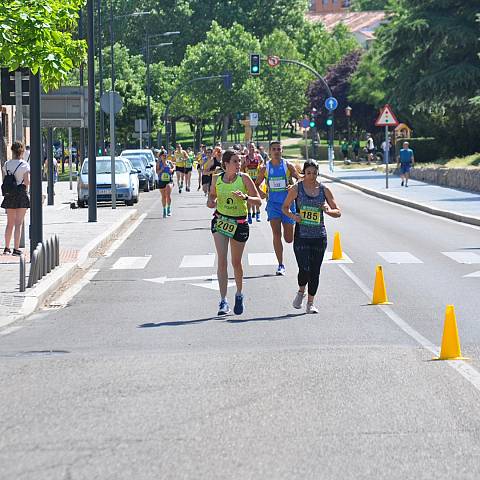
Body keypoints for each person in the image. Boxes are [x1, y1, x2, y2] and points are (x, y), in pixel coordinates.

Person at [282, 159, 341, 313]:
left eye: (314, 173)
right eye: (308, 172)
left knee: (315, 271)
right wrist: (294, 216)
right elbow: (285, 207)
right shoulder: (297, 188)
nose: (311, 175)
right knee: (304, 269)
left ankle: (310, 303)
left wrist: (327, 210)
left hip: (319, 236)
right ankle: (301, 291)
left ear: (317, 173)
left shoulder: (324, 190)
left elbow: (338, 212)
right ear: (304, 173)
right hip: (302, 235)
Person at [208, 149, 262, 316]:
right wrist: (211, 202)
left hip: (239, 223)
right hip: (221, 221)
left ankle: (239, 293)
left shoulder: (244, 178)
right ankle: (223, 301)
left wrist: (245, 198)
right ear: (225, 164)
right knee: (222, 261)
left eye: (239, 161)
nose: (239, 165)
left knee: (236, 263)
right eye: (235, 161)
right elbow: (211, 197)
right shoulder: (216, 179)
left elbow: (258, 201)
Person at [255, 140, 301, 276]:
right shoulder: (265, 168)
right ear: (270, 151)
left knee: (289, 239)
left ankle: (293, 236)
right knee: (276, 234)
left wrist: (294, 186)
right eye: (274, 149)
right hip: (273, 206)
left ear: (282, 151)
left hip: (288, 205)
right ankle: (280, 264)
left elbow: (299, 179)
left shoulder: (288, 166)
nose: (276, 151)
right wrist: (262, 193)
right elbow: (256, 184)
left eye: (278, 149)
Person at [2, 141, 30, 256]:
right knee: (18, 223)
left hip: (9, 195)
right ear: (22, 152)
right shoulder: (24, 165)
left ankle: (7, 248)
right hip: (21, 194)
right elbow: (27, 181)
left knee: (9, 223)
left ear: (12, 151)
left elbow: (5, 179)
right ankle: (16, 249)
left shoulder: (7, 164)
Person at [241, 142, 263, 223]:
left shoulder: (258, 157)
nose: (251, 149)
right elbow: (240, 168)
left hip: (256, 180)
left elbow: (262, 164)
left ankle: (258, 214)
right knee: (249, 198)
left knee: (257, 197)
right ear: (247, 148)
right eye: (250, 147)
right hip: (248, 180)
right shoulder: (244, 158)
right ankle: (249, 215)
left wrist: (260, 166)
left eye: (253, 147)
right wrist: (245, 165)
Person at [156, 150, 174, 217]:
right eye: (163, 155)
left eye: (166, 155)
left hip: (169, 180)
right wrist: (161, 169)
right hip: (161, 180)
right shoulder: (158, 163)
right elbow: (157, 172)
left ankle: (169, 208)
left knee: (168, 195)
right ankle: (164, 210)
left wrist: (172, 170)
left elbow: (173, 167)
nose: (165, 156)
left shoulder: (169, 162)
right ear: (160, 156)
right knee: (163, 196)